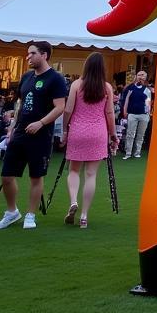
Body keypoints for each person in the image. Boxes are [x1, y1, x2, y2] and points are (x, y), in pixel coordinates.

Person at [0, 42, 68, 230]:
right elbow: (21, 104)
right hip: (19, 133)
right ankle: (12, 212)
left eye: (32, 54)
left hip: (41, 135)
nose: (28, 57)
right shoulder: (26, 77)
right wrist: (12, 127)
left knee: (36, 177)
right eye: (28, 54)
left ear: (44, 55)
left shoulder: (56, 79)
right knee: (7, 176)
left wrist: (41, 123)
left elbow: (60, 107)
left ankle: (30, 215)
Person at [62, 53, 117, 228]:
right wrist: (113, 134)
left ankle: (73, 201)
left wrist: (64, 129)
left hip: (78, 131)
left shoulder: (76, 85)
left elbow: (68, 109)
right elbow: (109, 113)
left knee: (74, 171)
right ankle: (84, 215)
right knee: (91, 175)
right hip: (98, 132)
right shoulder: (106, 87)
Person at [120, 70, 152, 159]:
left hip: (144, 115)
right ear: (136, 76)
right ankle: (128, 152)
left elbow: (148, 102)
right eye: (139, 75)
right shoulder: (130, 88)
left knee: (140, 135)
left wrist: (148, 113)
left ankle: (137, 152)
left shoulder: (147, 89)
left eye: (143, 75)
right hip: (132, 114)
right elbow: (125, 99)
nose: (141, 77)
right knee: (130, 134)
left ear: (145, 77)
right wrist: (125, 111)